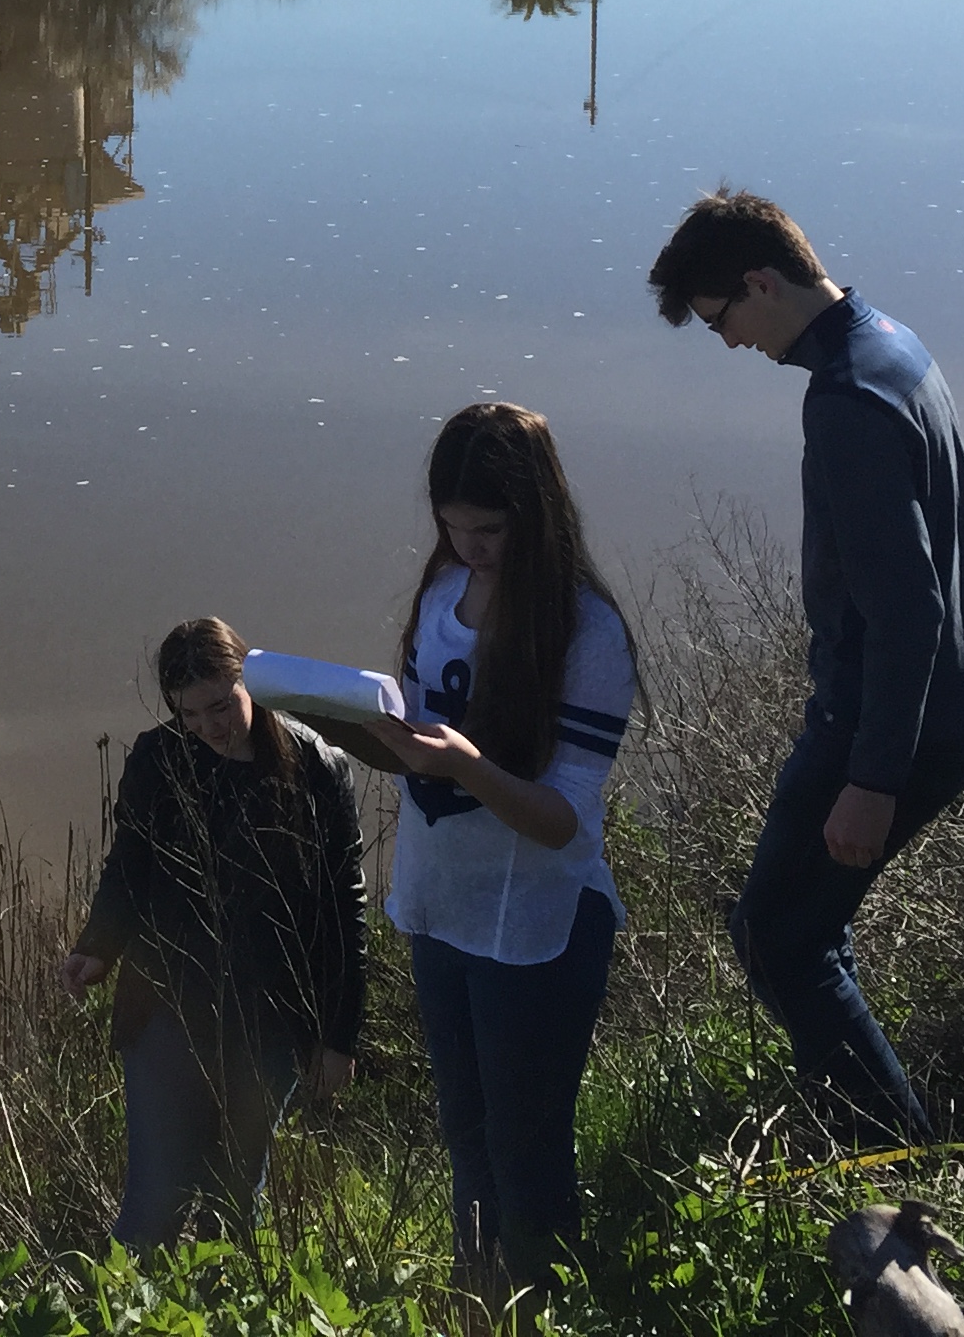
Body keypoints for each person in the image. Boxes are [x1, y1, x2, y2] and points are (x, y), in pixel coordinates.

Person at [648, 189, 964, 1135]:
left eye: (722, 318)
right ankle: (862, 1124)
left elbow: (907, 608)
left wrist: (873, 777)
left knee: (778, 940)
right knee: (803, 931)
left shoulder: (844, 402)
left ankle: (893, 1162)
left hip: (888, 726)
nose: (726, 344)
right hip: (953, 700)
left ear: (762, 281)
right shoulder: (891, 343)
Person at [332, 402, 638, 1298]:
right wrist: (364, 733)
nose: (471, 546)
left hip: (538, 924)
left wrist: (469, 766)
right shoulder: (440, 599)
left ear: (536, 516)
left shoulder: (586, 634)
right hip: (443, 909)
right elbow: (424, 746)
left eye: (491, 528)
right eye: (453, 526)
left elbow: (566, 824)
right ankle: (479, 1303)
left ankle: (545, 1307)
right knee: (465, 1130)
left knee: (527, 1148)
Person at [61, 617, 366, 1251]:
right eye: (191, 714)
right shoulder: (159, 759)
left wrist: (337, 1037)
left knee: (234, 1201)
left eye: (222, 705)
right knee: (154, 1200)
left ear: (247, 679)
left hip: (274, 1018)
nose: (210, 727)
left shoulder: (316, 765)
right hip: (167, 1007)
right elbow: (128, 869)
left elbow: (344, 908)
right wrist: (96, 948)